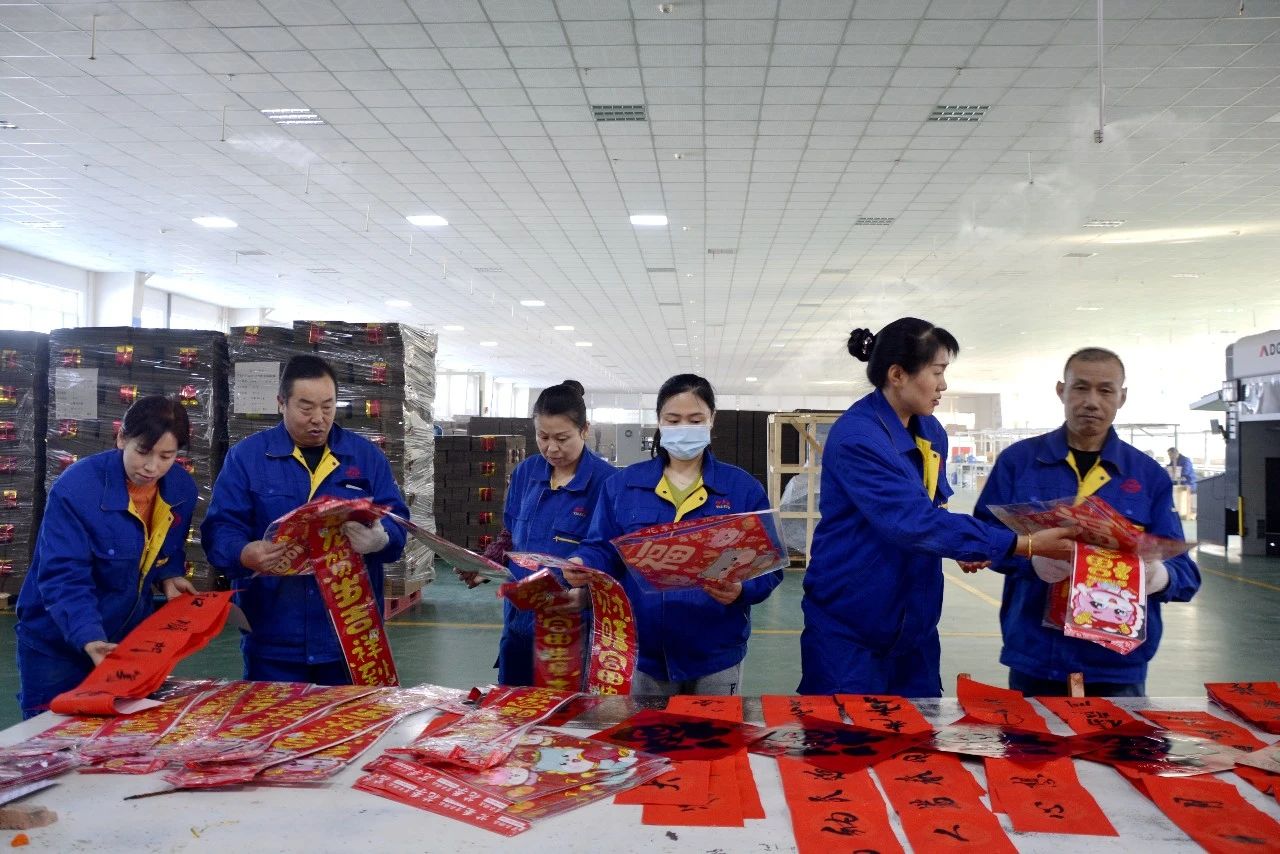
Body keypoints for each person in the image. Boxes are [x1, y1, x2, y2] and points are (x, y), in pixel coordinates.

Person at [798, 318, 1077, 698]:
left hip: (915, 623)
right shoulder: (858, 438)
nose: (943, 385)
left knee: (921, 728)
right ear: (898, 375)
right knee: (847, 729)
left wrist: (966, 545)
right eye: (937, 372)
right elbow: (912, 523)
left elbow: (933, 509)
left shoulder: (930, 432)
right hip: (851, 624)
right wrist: (1024, 544)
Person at [973, 348, 1201, 697]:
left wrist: (1159, 577)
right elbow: (982, 538)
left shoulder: (1148, 476)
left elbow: (1185, 574)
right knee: (1036, 735)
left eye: (1105, 390)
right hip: (1036, 655)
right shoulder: (1018, 463)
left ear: (1122, 397)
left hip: (1117, 666)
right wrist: (1030, 557)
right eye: (1080, 388)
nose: (1091, 401)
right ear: (1061, 391)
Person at [565, 374, 781, 696]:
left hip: (716, 653)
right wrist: (583, 562)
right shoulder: (623, 486)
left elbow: (769, 565)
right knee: (646, 728)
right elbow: (602, 548)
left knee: (711, 728)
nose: (684, 428)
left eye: (695, 420)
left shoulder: (742, 489)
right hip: (644, 653)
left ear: (712, 420)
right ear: (659, 421)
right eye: (673, 419)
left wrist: (742, 589)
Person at [202, 355, 409, 684]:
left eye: (328, 406)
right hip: (273, 637)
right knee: (274, 717)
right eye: (306, 407)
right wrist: (243, 553)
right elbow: (220, 529)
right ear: (281, 403)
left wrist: (381, 539)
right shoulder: (247, 458)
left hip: (350, 637)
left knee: (351, 716)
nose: (318, 419)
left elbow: (398, 522)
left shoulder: (365, 457)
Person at [15, 396, 198, 718]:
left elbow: (165, 546)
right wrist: (89, 637)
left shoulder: (181, 489)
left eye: (166, 456)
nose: (152, 467)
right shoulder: (76, 490)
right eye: (143, 451)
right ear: (122, 438)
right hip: (57, 643)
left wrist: (170, 573)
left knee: (126, 735)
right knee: (52, 734)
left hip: (127, 640)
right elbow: (64, 575)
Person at [466, 380, 617, 685]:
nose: (551, 448)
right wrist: (486, 565)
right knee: (513, 702)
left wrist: (588, 596)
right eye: (542, 437)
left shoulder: (608, 483)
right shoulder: (526, 472)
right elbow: (510, 534)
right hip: (519, 618)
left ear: (584, 430)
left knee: (565, 708)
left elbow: (613, 555)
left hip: (571, 626)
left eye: (562, 438)